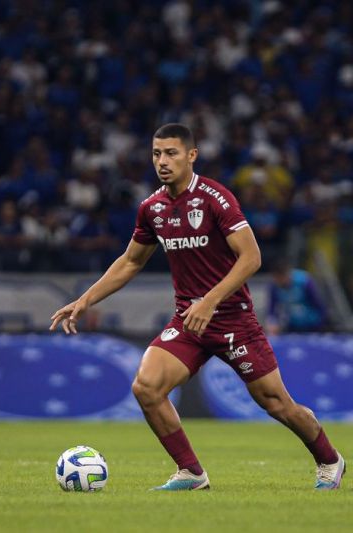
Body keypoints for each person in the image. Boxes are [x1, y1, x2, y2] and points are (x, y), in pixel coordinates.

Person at [50, 123, 345, 491]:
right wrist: (85, 300)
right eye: (156, 153)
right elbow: (130, 261)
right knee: (147, 387)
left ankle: (329, 459)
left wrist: (210, 301)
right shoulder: (152, 208)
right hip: (189, 321)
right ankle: (191, 472)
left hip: (233, 320)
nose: (162, 161)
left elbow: (251, 257)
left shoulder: (215, 198)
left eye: (171, 153)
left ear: (191, 155)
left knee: (276, 404)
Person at [266, 260, 328, 334]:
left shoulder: (305, 281)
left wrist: (321, 325)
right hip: (293, 326)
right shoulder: (274, 286)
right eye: (277, 279)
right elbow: (272, 308)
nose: (279, 282)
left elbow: (319, 304)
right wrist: (272, 322)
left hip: (312, 325)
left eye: (281, 278)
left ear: (287, 274)